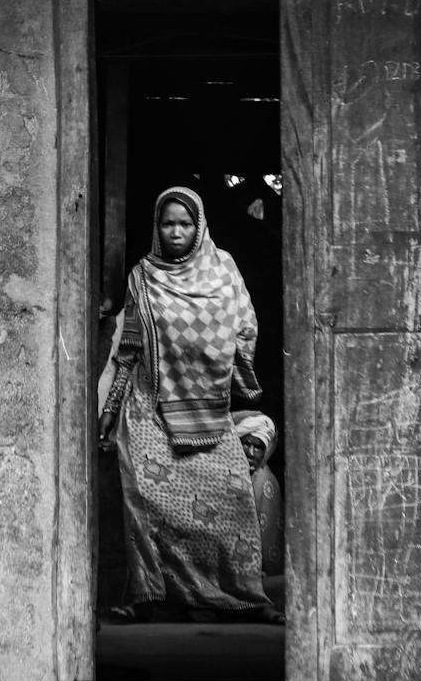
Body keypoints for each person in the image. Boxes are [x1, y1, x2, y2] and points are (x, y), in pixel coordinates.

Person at [97, 186, 273, 620]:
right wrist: (110, 406)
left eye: (185, 223)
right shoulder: (143, 276)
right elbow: (131, 347)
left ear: (199, 228)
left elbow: (245, 326)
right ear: (157, 228)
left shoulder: (224, 270)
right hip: (149, 409)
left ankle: (244, 597)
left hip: (210, 410)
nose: (176, 232)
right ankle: (149, 597)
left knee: (232, 505)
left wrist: (230, 366)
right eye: (168, 223)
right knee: (148, 506)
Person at [232, 411, 285, 592]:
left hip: (255, 569)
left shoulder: (264, 482)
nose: (251, 453)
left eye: (259, 447)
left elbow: (269, 540)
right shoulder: (229, 474)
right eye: (246, 444)